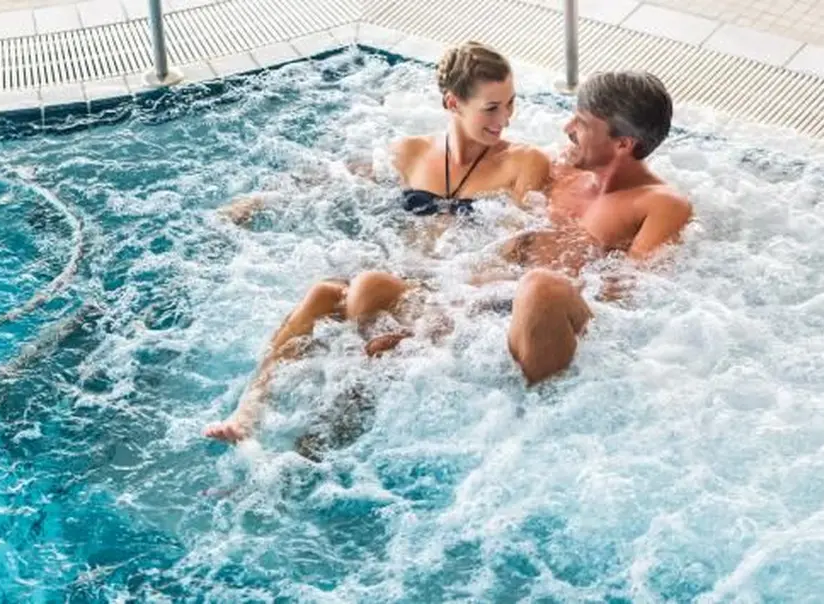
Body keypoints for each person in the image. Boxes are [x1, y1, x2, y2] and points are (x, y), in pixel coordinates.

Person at [206, 68, 692, 446]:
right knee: (359, 289)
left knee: (541, 284)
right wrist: (275, 197)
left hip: (544, 326)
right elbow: (440, 165)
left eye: (582, 125)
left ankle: (425, 369)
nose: (566, 129)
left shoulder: (661, 205)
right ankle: (298, 440)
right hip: (475, 305)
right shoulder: (559, 166)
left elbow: (631, 298)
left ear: (624, 144)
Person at [219, 40, 551, 227]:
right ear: (453, 103)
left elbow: (524, 244)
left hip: (464, 295)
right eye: (491, 108)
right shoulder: (411, 153)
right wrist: (256, 201)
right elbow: (334, 176)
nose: (505, 118)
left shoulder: (523, 162)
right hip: (408, 275)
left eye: (510, 103)